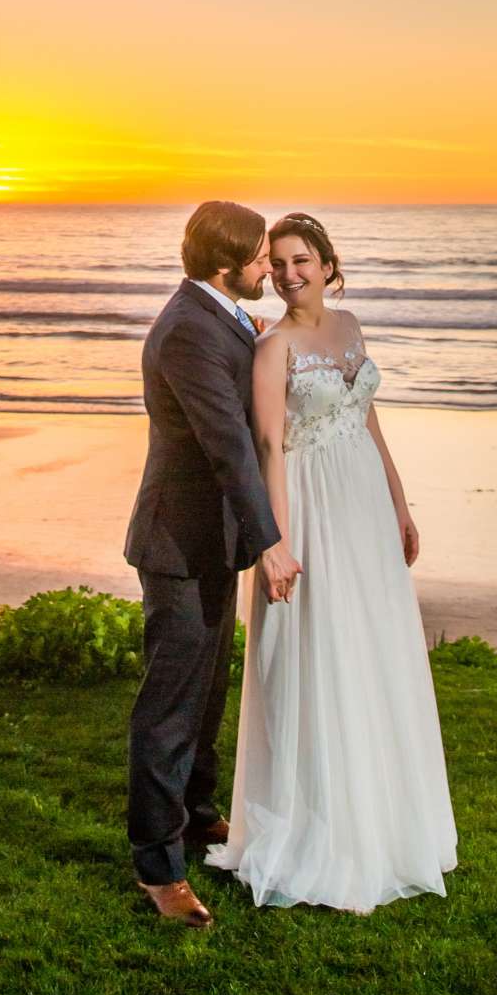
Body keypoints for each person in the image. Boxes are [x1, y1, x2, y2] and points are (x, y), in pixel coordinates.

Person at [205, 212, 458, 912]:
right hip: (311, 509)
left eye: (301, 260)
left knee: (375, 649)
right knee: (320, 651)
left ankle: (387, 821)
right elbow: (268, 449)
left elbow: (369, 418)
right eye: (278, 263)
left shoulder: (350, 327)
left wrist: (400, 504)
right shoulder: (272, 347)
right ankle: (320, 829)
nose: (289, 274)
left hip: (365, 504)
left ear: (325, 262)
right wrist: (276, 543)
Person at [124, 201, 303, 927]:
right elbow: (227, 443)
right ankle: (158, 868)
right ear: (228, 266)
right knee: (168, 709)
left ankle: (197, 817)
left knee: (205, 695)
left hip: (208, 541)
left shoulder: (216, 315)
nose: (269, 267)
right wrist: (270, 542)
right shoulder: (189, 333)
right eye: (262, 257)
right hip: (179, 544)